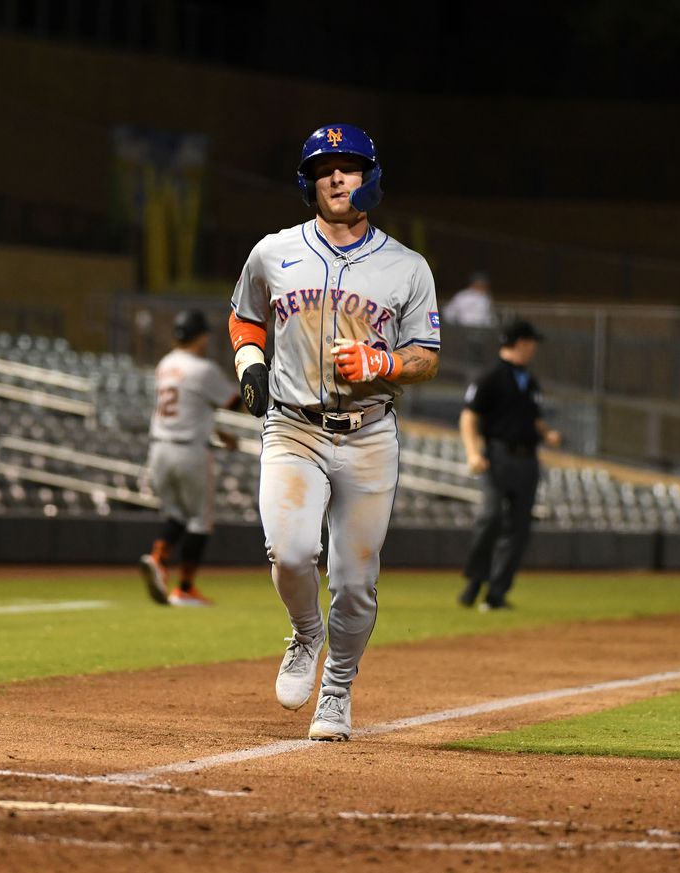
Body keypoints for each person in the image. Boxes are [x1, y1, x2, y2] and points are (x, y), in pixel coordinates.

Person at [228, 123, 440, 741]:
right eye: (324, 169)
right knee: (291, 553)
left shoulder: (406, 266)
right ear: (309, 183)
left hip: (369, 434)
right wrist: (251, 366)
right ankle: (305, 633)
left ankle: (337, 691)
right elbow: (245, 316)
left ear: (369, 176)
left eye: (347, 166)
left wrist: (386, 363)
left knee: (355, 581)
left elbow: (427, 356)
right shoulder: (273, 252)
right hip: (292, 427)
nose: (336, 177)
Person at [138, 308, 240, 607]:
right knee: (199, 521)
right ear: (201, 336)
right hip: (190, 451)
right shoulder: (202, 369)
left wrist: (216, 428)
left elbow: (191, 406)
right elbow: (235, 402)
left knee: (177, 515)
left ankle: (157, 559)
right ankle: (184, 588)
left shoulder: (165, 364)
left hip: (159, 449)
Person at [457, 320, 561, 611]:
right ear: (521, 343)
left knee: (519, 527)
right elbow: (468, 417)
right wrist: (473, 453)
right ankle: (476, 579)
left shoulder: (529, 381)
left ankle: (497, 594)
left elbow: (534, 416)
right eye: (531, 342)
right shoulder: (490, 377)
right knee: (491, 517)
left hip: (528, 458)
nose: (534, 348)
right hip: (498, 455)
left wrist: (547, 433)